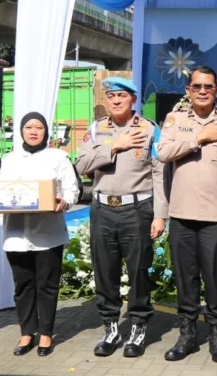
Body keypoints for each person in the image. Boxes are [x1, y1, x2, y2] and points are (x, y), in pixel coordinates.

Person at [156, 66, 217, 364]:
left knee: (214, 277)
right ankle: (187, 335)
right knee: (185, 278)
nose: (202, 91)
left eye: (208, 86)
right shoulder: (175, 120)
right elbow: (163, 152)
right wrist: (200, 136)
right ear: (188, 90)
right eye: (196, 86)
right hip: (182, 213)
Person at [75, 77, 167, 358]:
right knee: (105, 271)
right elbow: (81, 165)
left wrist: (160, 215)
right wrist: (114, 145)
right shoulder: (97, 129)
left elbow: (160, 174)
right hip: (103, 209)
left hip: (137, 210)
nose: (115, 101)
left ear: (133, 100)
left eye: (122, 96)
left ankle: (138, 328)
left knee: (138, 271)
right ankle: (111, 328)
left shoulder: (150, 130)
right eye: (111, 96)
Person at [0, 112, 79, 356]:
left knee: (47, 285)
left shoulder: (59, 157)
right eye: (29, 127)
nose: (33, 131)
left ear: (46, 132)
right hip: (16, 233)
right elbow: (0, 191)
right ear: (21, 131)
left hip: (49, 232)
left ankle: (45, 334)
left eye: (39, 127)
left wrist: (64, 202)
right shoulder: (9, 159)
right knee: (23, 285)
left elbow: (72, 190)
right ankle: (26, 333)